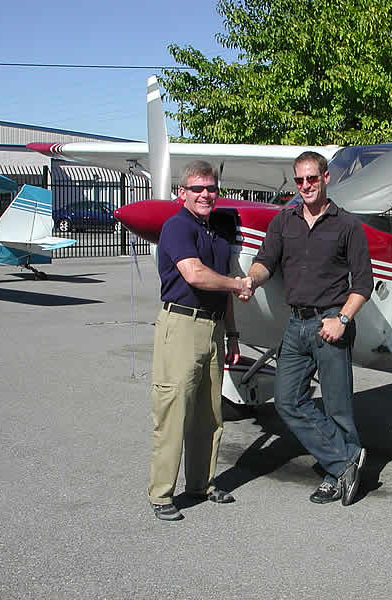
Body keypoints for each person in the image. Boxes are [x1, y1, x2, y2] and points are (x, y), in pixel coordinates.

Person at [244, 151, 374, 506]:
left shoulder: (347, 225)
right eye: (299, 180)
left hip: (330, 321)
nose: (305, 186)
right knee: (287, 401)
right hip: (296, 324)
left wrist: (342, 320)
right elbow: (265, 261)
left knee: (338, 408)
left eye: (311, 179)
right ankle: (346, 461)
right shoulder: (283, 222)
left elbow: (364, 283)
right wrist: (251, 281)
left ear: (326, 178)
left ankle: (337, 476)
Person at [148, 160, 253, 521]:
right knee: (173, 413)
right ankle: (161, 495)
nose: (205, 194)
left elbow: (220, 289)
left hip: (214, 328)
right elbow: (195, 275)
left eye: (210, 188)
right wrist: (239, 284)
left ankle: (201, 484)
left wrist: (234, 334)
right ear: (182, 193)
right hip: (181, 325)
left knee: (210, 414)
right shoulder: (176, 227)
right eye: (197, 189)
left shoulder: (217, 233)